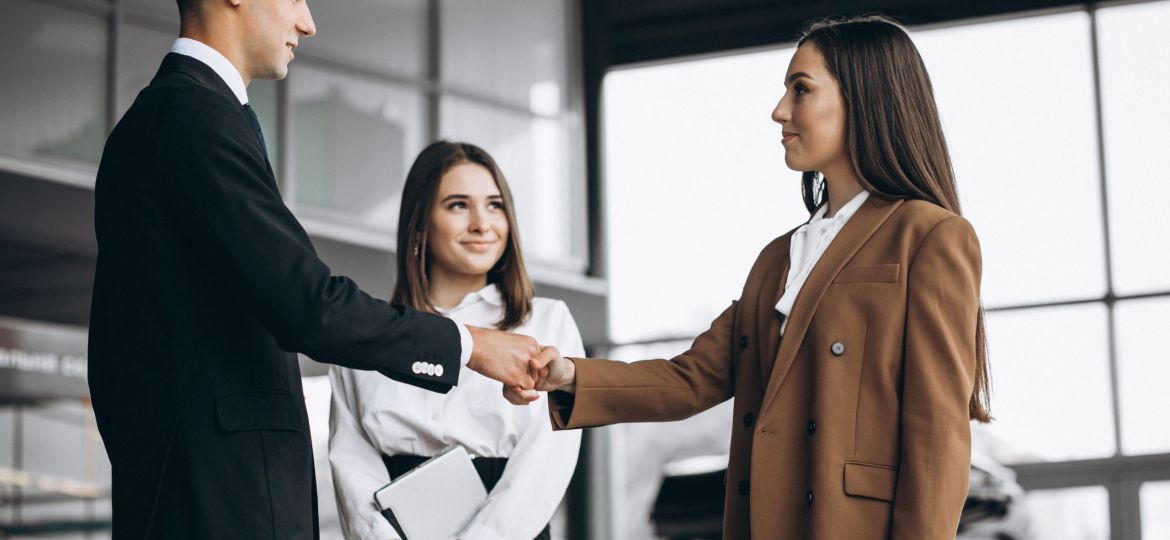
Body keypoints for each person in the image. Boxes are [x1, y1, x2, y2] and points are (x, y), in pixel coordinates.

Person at [510, 15, 991, 539]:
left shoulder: (929, 236)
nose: (779, 110)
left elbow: (937, 439)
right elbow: (691, 378)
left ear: (864, 98)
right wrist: (570, 376)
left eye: (800, 90)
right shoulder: (778, 258)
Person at [87, 1, 542, 538]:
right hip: (218, 503)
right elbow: (310, 306)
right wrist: (471, 346)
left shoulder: (180, 116)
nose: (307, 22)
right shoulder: (192, 117)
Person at [329, 141, 584, 540]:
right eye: (458, 205)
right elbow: (350, 460)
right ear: (420, 224)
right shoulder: (368, 331)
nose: (483, 224)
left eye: (495, 205)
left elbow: (547, 463)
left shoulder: (548, 322)